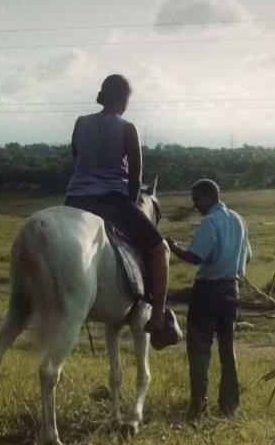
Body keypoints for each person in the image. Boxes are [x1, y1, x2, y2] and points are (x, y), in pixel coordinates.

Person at [63, 74, 174, 347]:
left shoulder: (80, 123)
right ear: (124, 98)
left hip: (75, 200)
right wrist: (131, 200)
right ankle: (158, 316)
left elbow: (77, 159)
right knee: (160, 250)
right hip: (111, 201)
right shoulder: (127, 128)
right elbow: (136, 175)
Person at [166, 179, 251, 418]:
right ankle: (229, 405)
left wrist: (173, 247)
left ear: (208, 196)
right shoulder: (238, 220)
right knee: (227, 348)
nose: (195, 205)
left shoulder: (210, 222)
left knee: (199, 349)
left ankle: (198, 405)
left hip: (207, 292)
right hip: (231, 290)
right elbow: (249, 256)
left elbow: (195, 258)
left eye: (196, 199)